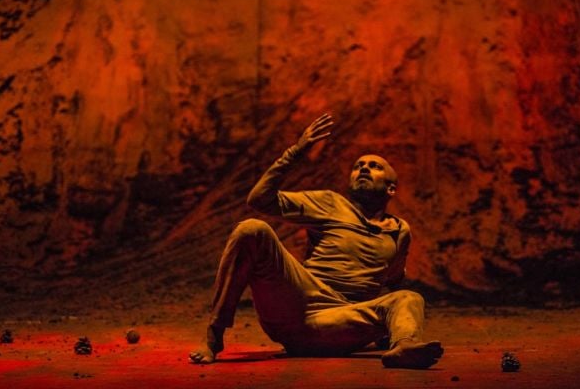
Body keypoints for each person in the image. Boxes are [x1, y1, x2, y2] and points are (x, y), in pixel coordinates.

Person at [189, 113, 443, 369]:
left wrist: (389, 327)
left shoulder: (399, 231)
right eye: (358, 166)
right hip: (296, 308)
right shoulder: (329, 203)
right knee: (252, 229)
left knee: (409, 297)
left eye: (375, 167)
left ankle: (405, 347)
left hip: (341, 324)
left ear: (391, 189)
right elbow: (259, 200)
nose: (364, 168)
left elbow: (394, 280)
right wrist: (295, 152)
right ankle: (213, 337)